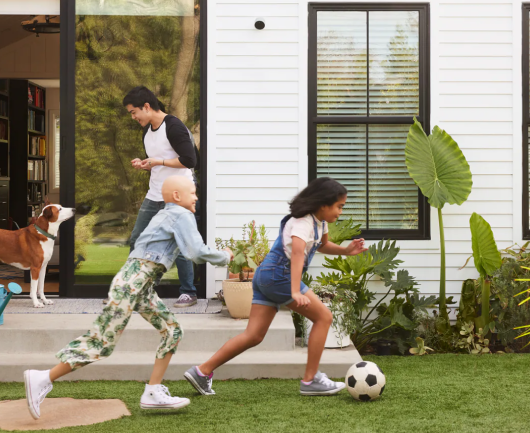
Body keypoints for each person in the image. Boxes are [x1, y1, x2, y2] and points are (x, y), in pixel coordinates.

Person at [24, 176, 232, 419]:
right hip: (132, 283)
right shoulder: (180, 214)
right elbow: (195, 252)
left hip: (138, 283)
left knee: (172, 330)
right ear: (177, 196)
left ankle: (153, 391)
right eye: (193, 192)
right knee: (101, 343)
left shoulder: (165, 215)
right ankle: (42, 378)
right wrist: (224, 256)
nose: (196, 197)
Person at [184, 177, 367, 397]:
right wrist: (295, 291)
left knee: (254, 335)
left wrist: (346, 251)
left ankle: (202, 371)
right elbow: (298, 252)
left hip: (266, 275)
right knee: (324, 317)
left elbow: (324, 245)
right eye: (339, 206)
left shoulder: (320, 223)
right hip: (280, 274)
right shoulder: (302, 222)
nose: (340, 211)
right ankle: (310, 381)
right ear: (323, 203)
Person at [123, 85, 201, 308]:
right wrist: (147, 164)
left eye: (133, 111)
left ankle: (188, 292)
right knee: (138, 238)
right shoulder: (147, 131)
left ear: (146, 107)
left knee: (181, 242)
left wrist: (158, 162)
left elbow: (190, 160)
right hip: (155, 192)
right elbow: (160, 162)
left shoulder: (173, 127)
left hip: (179, 193)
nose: (133, 116)